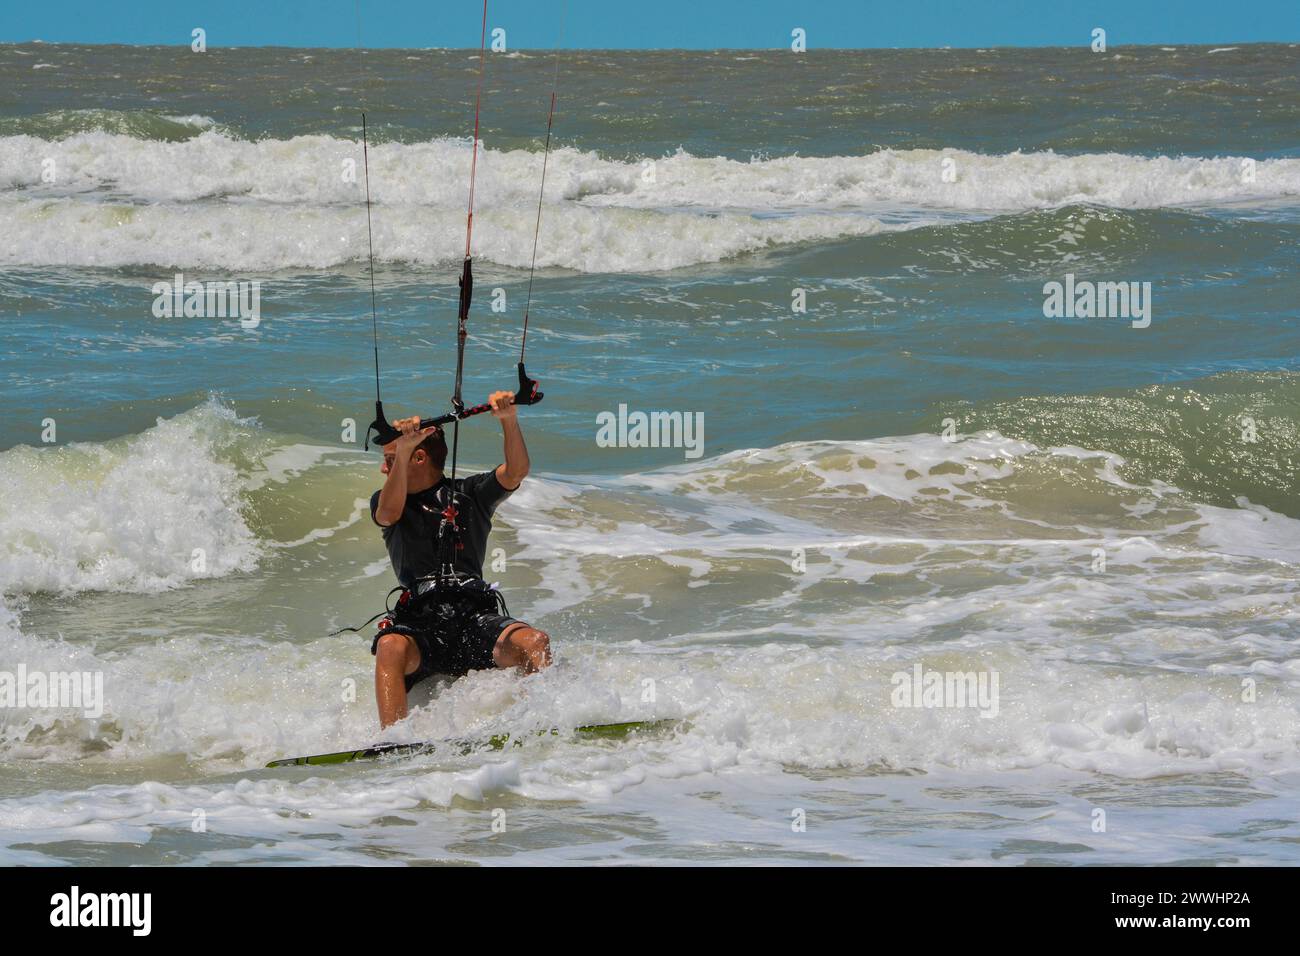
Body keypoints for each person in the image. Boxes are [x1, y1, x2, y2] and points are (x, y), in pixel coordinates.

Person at [369, 390, 550, 727]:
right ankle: (393, 741)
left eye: (391, 460)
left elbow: (515, 472)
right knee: (390, 646)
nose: (383, 468)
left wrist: (509, 420)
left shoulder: (471, 495)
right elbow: (388, 512)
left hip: (474, 621)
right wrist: (403, 447)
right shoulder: (387, 500)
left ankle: (539, 725)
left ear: (420, 458)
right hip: (421, 629)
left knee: (534, 641)